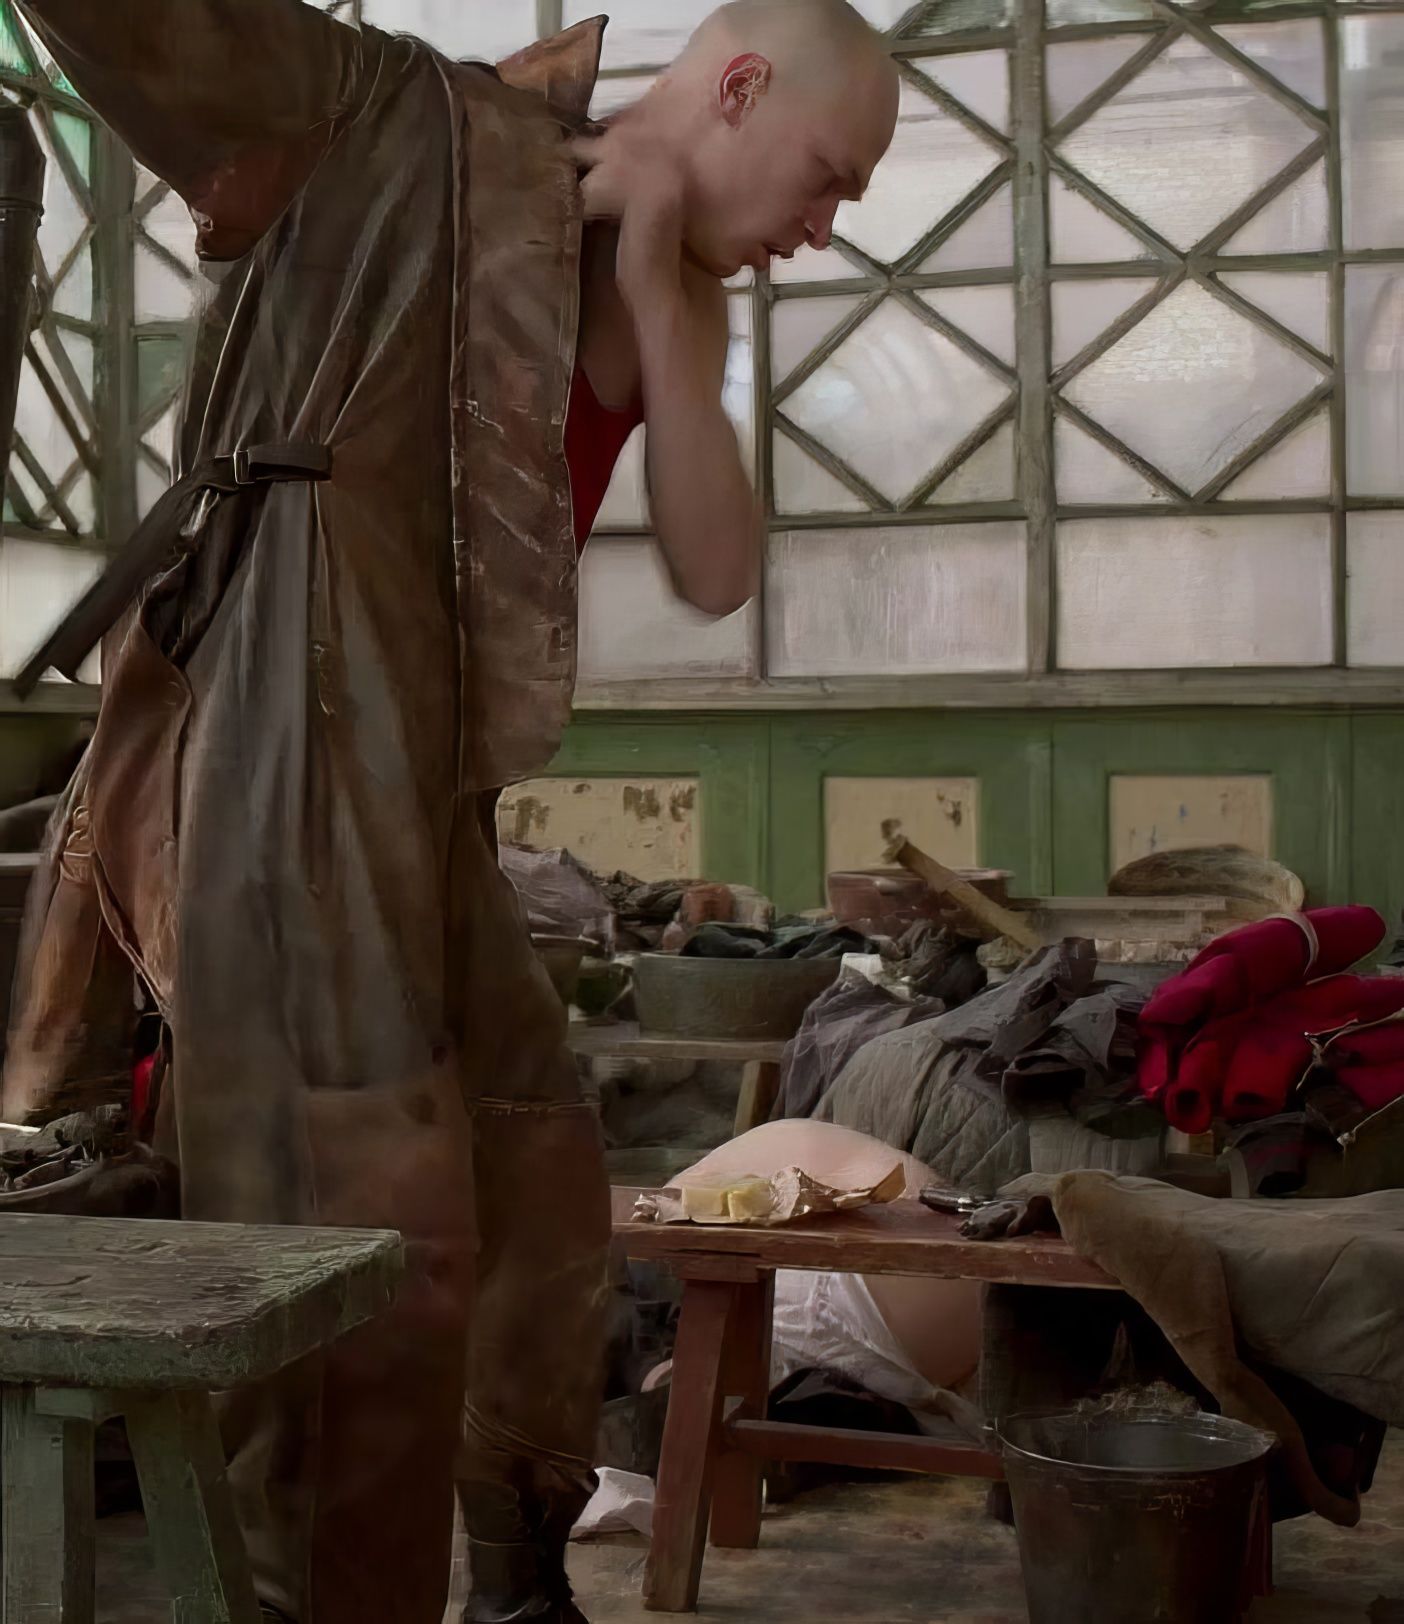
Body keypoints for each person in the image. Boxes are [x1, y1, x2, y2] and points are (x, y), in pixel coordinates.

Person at [4, 3, 897, 1621]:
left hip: (430, 788)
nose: (825, 227)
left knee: (538, 1175)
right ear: (741, 85)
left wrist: (649, 284)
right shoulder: (404, 129)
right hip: (283, 757)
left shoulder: (679, 286)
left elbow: (717, 566)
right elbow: (174, 45)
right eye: (829, 175)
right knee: (363, 1230)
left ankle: (519, 1580)